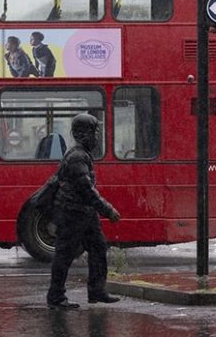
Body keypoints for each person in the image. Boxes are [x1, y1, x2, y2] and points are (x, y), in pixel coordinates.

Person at [47, 113, 121, 309]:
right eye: (94, 132)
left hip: (85, 214)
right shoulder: (77, 157)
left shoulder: (81, 155)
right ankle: (56, 297)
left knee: (98, 248)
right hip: (72, 214)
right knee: (64, 255)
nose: (97, 137)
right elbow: (86, 190)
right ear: (84, 133)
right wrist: (108, 210)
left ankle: (97, 291)